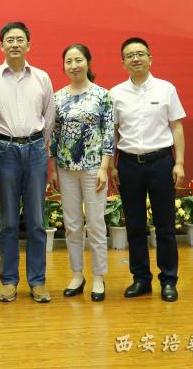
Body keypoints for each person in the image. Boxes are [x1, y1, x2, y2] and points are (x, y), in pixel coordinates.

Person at [0, 21, 55, 304]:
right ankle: (9, 281)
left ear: (28, 45)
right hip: (4, 151)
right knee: (9, 221)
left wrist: (36, 142)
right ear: (1, 45)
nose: (14, 44)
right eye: (9, 40)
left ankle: (38, 282)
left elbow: (49, 117)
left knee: (36, 220)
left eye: (19, 39)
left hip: (35, 150)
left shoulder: (42, 78)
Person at [109, 37, 186, 302]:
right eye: (130, 56)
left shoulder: (166, 89)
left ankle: (169, 280)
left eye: (140, 54)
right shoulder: (115, 93)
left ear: (150, 58)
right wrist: (113, 165)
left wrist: (179, 163)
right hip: (129, 164)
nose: (136, 59)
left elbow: (176, 127)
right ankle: (141, 279)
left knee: (165, 225)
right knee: (134, 225)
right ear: (123, 63)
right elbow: (113, 132)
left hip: (161, 162)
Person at [49, 44, 114, 302]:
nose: (74, 65)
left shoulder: (102, 95)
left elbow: (108, 133)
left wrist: (104, 167)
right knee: (73, 225)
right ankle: (77, 274)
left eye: (78, 60)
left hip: (93, 168)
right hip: (65, 169)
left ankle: (98, 277)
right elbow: (54, 135)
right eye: (69, 61)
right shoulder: (57, 97)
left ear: (88, 62)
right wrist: (53, 168)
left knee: (96, 224)